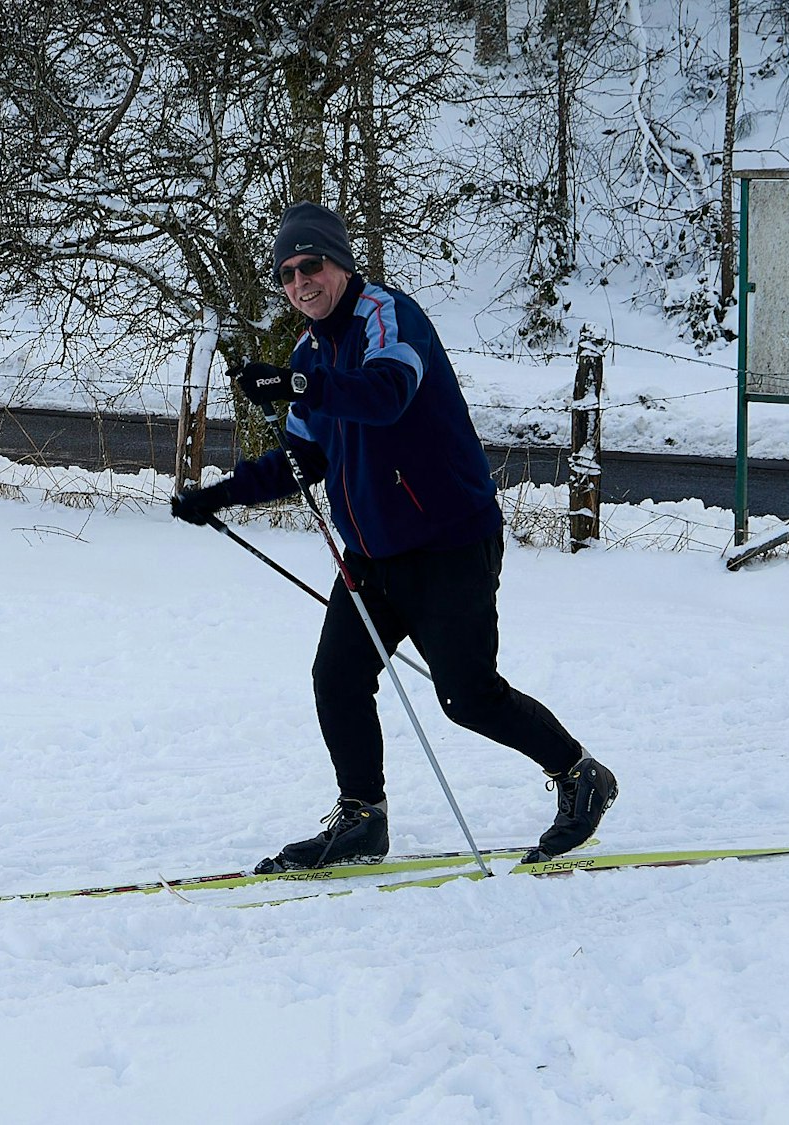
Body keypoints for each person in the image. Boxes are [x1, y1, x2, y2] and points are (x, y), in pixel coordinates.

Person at [171, 201, 617, 873]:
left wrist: (298, 384)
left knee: (467, 697)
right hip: (373, 555)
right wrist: (219, 496)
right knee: (337, 676)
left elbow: (386, 394)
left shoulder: (387, 315)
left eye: (311, 265)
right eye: (287, 274)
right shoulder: (308, 349)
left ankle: (581, 774)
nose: (300, 283)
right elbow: (304, 459)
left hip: (448, 543)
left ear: (339, 262)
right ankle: (362, 817)